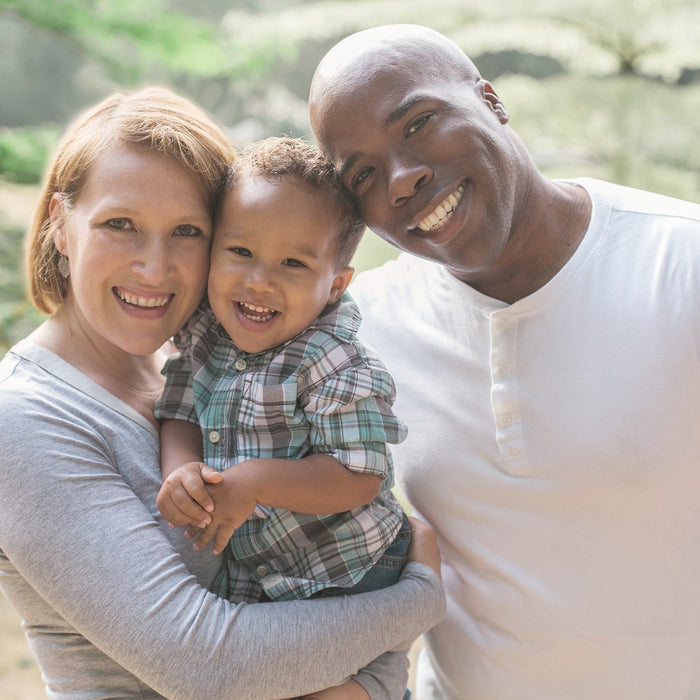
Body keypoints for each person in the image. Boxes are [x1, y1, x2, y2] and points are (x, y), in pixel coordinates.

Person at [0, 86, 446, 700]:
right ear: (60, 225)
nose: (155, 268)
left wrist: (371, 682)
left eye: (187, 231)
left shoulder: (201, 367)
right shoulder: (25, 420)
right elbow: (212, 666)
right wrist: (418, 599)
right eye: (119, 224)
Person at [308, 23, 700, 700]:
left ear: (490, 101)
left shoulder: (681, 266)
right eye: (364, 174)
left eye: (420, 123)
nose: (403, 179)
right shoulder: (356, 333)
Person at [155, 136, 410, 609]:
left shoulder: (335, 360)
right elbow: (180, 411)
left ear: (334, 285)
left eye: (293, 262)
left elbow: (359, 476)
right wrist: (181, 469)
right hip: (263, 576)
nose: (259, 281)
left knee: (327, 682)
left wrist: (255, 481)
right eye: (241, 252)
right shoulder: (206, 334)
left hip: (350, 567)